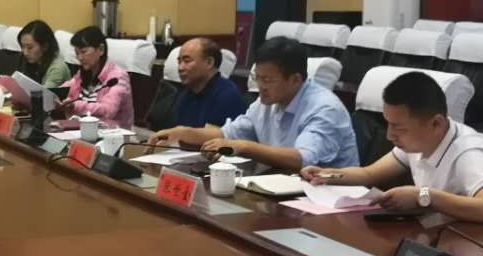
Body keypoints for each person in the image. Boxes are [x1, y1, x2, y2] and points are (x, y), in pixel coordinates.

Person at [302, 69, 483, 230]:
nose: (389, 136)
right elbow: (369, 174)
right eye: (388, 124)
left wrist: (423, 196)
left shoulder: (469, 152)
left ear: (436, 124)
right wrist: (326, 175)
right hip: (450, 235)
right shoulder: (418, 141)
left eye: (398, 128)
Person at [152, 38, 357, 172]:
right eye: (257, 78)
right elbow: (227, 134)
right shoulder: (266, 102)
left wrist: (244, 147)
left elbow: (302, 158)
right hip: (282, 188)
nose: (260, 86)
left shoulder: (324, 108)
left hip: (330, 201)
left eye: (267, 80)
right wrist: (182, 133)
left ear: (295, 79)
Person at [148, 37, 246, 133]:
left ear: (209, 62)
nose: (180, 68)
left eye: (187, 61)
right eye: (179, 62)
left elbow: (219, 139)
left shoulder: (227, 96)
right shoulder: (187, 92)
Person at [59, 26, 133, 128]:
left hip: (112, 133)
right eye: (77, 53)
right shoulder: (82, 74)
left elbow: (108, 110)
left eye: (84, 52)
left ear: (101, 49)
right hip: (81, 130)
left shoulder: (118, 77)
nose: (80, 58)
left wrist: (75, 106)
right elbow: (63, 89)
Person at [10, 19, 69, 90]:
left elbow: (43, 94)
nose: (25, 53)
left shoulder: (57, 68)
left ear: (45, 46)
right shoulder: (33, 61)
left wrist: (13, 89)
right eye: (22, 46)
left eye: (30, 47)